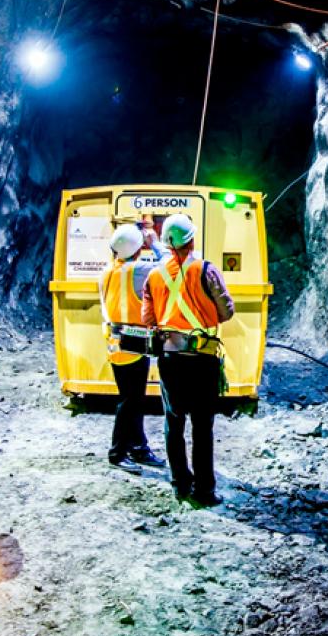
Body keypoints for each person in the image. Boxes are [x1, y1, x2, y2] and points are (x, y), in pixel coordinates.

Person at [141, 213, 234, 507]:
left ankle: (180, 484)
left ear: (168, 245)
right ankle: (204, 491)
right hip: (202, 358)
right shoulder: (206, 270)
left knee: (174, 422)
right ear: (192, 239)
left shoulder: (154, 276)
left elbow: (148, 318)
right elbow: (226, 311)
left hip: (170, 359)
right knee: (202, 426)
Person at [99, 223, 165, 474]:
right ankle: (117, 452)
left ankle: (139, 447)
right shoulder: (137, 270)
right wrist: (155, 242)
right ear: (138, 250)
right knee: (130, 400)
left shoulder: (108, 271)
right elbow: (171, 267)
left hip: (119, 344)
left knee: (134, 399)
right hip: (131, 345)